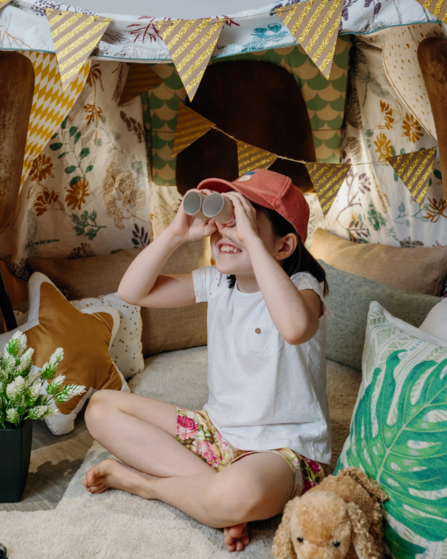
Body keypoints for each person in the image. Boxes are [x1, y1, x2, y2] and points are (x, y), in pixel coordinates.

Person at [83, 168, 331, 553]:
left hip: (282, 450)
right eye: (222, 219)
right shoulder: (217, 282)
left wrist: (249, 238)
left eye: (244, 219)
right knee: (99, 407)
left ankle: (149, 486)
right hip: (217, 431)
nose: (224, 230)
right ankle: (212, 496)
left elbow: (296, 327)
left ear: (283, 246)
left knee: (238, 490)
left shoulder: (302, 287)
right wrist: (176, 234)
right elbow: (131, 291)